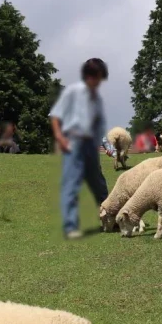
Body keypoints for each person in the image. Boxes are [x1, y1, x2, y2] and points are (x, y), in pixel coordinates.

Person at [49, 57, 111, 239]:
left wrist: (107, 147)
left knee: (100, 185)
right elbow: (55, 116)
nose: (99, 81)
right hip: (73, 145)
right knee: (72, 185)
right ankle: (70, 226)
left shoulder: (96, 99)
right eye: (97, 76)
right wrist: (60, 138)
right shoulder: (72, 93)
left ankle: (109, 219)